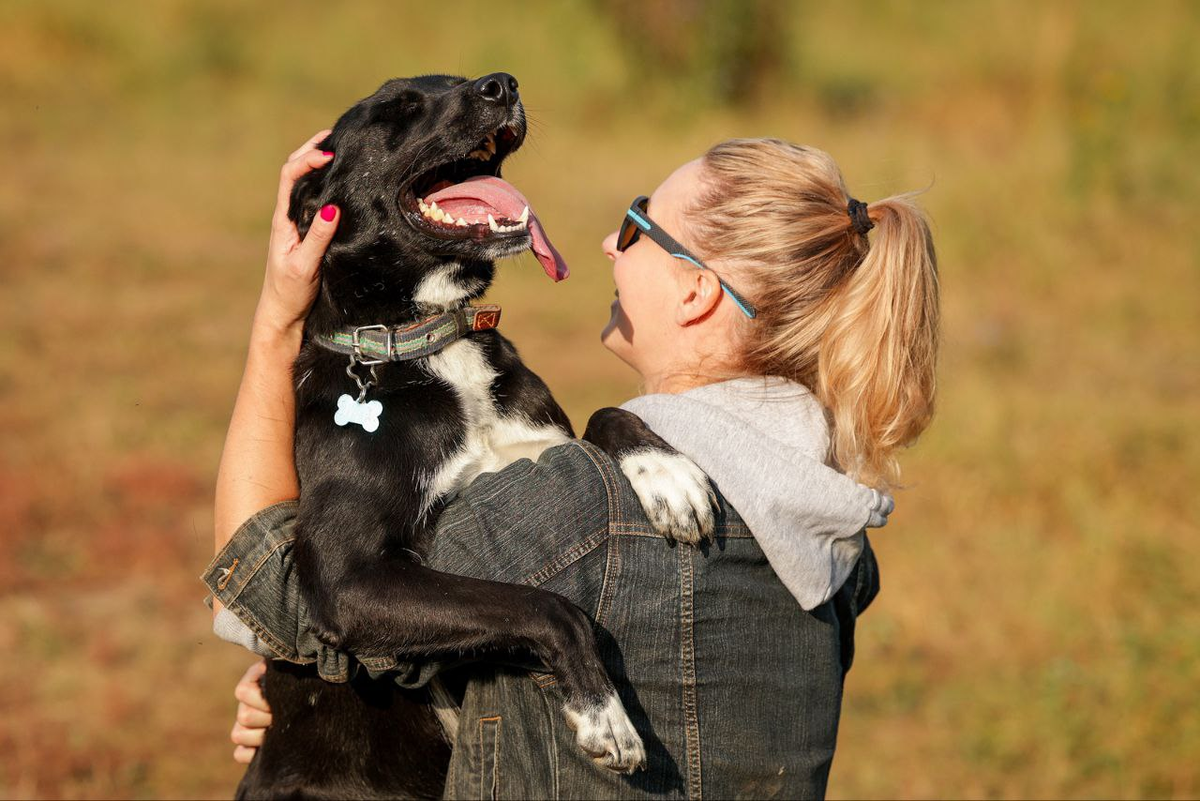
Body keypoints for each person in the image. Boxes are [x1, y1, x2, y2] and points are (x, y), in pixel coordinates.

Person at [209, 135, 939, 799]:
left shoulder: (562, 516)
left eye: (636, 226)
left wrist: (278, 320)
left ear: (696, 291)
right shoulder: (833, 523)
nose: (608, 245)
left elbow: (278, 586)